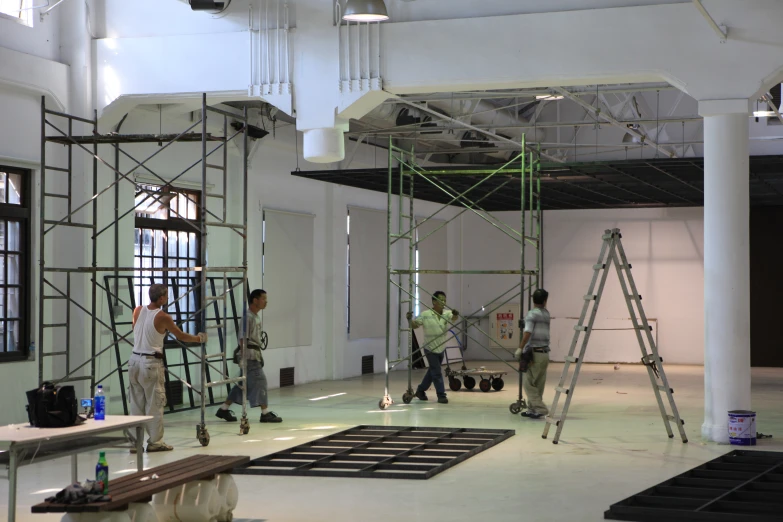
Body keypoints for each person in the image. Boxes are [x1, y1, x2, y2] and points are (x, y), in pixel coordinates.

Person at [130, 284, 207, 452]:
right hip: (151, 363)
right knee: (155, 403)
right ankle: (155, 442)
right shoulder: (163, 317)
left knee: (136, 404)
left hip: (134, 360)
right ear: (162, 298)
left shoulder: (137, 310)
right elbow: (180, 335)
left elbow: (135, 328)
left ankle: (135, 443)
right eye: (166, 296)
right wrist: (198, 339)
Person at [216, 289, 282, 423]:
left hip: (253, 355)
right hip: (250, 357)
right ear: (255, 300)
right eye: (263, 298)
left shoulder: (255, 316)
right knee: (260, 381)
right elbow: (242, 339)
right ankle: (265, 413)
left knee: (242, 385)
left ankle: (223, 409)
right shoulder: (247, 317)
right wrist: (244, 359)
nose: (266, 301)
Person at [406, 291, 459, 405]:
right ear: (434, 301)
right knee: (437, 373)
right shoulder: (426, 314)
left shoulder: (447, 313)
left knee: (432, 372)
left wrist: (455, 314)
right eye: (440, 300)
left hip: (441, 348)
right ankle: (441, 395)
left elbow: (454, 318)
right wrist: (410, 320)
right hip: (430, 348)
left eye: (444, 300)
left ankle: (420, 391)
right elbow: (415, 325)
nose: (443, 302)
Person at [515, 288, 550, 419]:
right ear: (545, 301)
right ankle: (532, 410)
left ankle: (540, 408)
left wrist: (520, 348)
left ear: (533, 299)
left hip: (534, 354)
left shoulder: (531, 314)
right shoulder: (546, 314)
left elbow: (528, 332)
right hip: (545, 353)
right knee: (539, 383)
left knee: (528, 383)